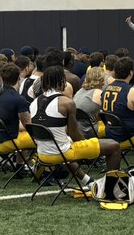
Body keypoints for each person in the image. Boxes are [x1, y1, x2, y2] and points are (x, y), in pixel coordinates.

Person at [31, 65, 124, 196]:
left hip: (42, 154)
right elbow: (75, 135)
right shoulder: (66, 103)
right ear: (61, 82)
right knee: (114, 146)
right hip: (62, 153)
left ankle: (90, 182)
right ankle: (112, 188)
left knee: (64, 145)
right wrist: (89, 147)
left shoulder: (34, 103)